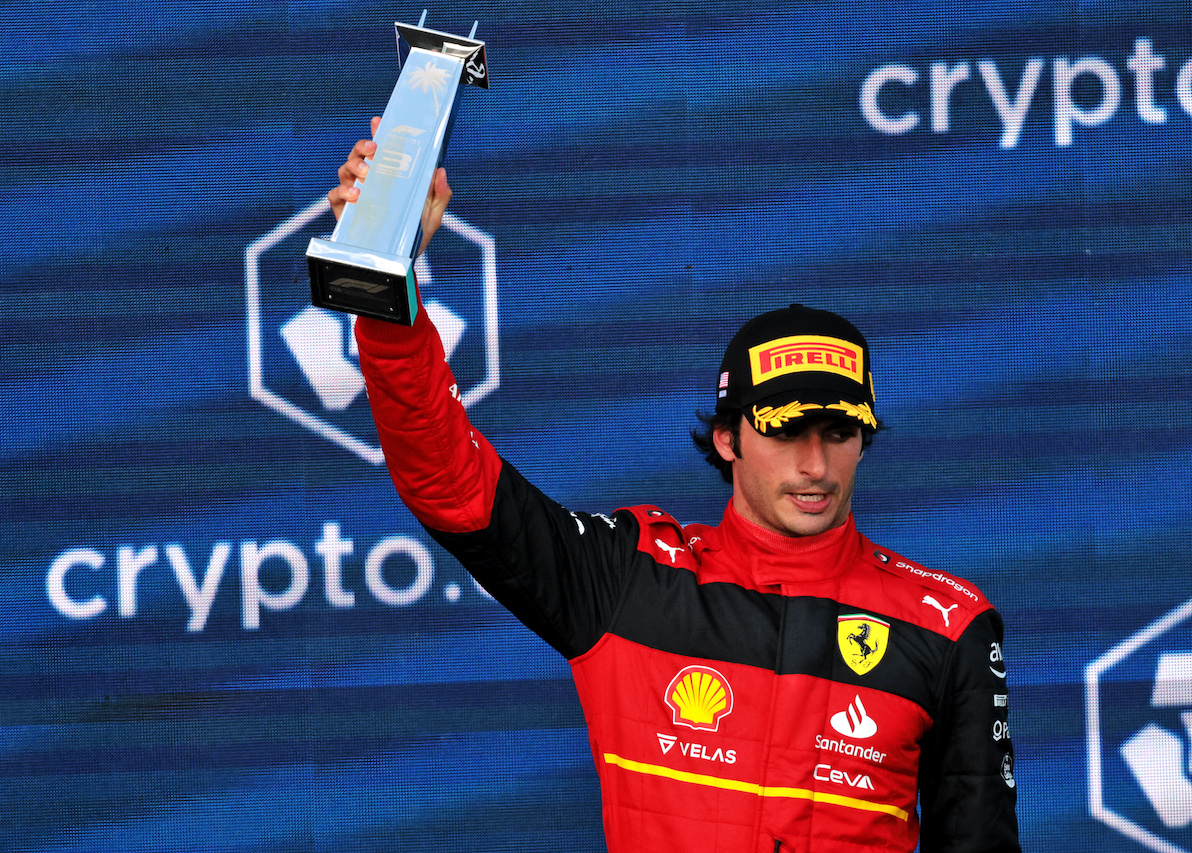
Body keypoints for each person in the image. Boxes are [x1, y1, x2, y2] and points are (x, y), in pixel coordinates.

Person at [327, 121, 1020, 852]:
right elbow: (451, 485)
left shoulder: (948, 624)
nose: (816, 465)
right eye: (786, 430)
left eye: (840, 433)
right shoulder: (630, 579)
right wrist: (384, 291)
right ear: (728, 438)